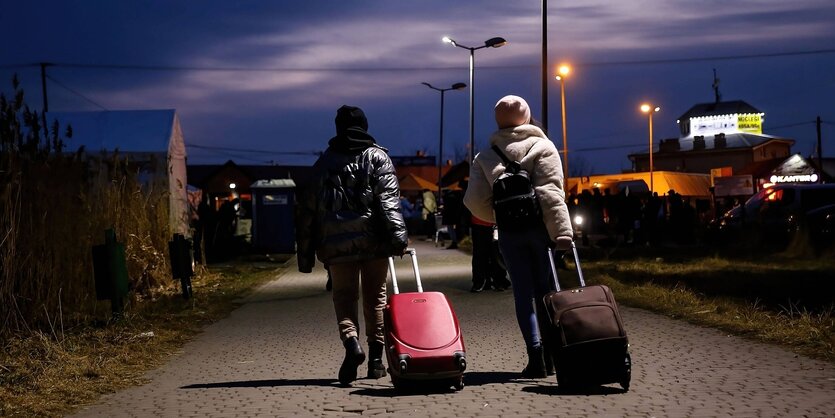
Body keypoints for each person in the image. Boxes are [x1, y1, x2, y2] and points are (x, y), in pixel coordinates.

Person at [296, 105, 409, 386]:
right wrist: (398, 238)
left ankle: (351, 343)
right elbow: (389, 202)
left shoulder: (323, 164)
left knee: (345, 297)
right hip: (374, 244)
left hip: (336, 247)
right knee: (376, 299)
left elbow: (306, 213)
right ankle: (375, 361)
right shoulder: (378, 158)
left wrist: (305, 257)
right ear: (365, 126)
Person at [463, 95, 573, 378]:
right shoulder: (543, 147)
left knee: (522, 294)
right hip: (541, 232)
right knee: (546, 292)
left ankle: (535, 355)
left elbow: (474, 202)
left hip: (510, 235)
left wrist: (497, 217)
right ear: (527, 116)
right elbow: (551, 193)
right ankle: (553, 356)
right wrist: (562, 233)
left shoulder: (485, 156)